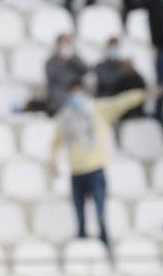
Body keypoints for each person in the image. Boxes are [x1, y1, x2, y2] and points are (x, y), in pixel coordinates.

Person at [51, 81, 147, 247]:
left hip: (95, 170)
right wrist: (53, 163)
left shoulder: (97, 109)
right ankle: (82, 250)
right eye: (72, 93)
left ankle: (105, 247)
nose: (76, 97)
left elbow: (120, 102)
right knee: (80, 219)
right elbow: (55, 143)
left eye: (78, 92)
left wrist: (142, 94)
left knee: (101, 215)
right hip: (76, 172)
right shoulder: (65, 117)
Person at [45, 33, 88, 114]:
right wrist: (60, 61)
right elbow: (52, 79)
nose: (64, 46)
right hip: (59, 96)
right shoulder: (51, 62)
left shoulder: (74, 59)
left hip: (75, 94)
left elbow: (85, 70)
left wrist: (73, 59)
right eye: (62, 43)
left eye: (67, 43)